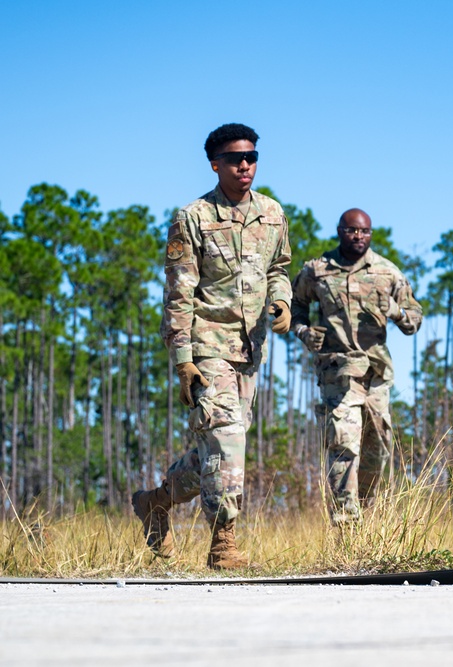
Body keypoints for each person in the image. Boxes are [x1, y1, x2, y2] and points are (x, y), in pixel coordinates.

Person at [131, 123, 292, 569]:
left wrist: (282, 301)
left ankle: (155, 502)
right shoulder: (194, 217)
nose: (246, 165)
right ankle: (224, 544)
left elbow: (279, 268)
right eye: (236, 158)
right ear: (215, 164)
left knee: (217, 450)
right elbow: (179, 294)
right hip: (207, 346)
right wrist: (183, 360)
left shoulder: (273, 214)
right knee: (226, 440)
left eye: (252, 157)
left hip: (249, 349)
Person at [290, 208, 422, 523]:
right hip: (337, 371)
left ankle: (367, 514)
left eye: (364, 232)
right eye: (352, 231)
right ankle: (347, 524)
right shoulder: (317, 271)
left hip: (376, 374)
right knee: (343, 442)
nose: (358, 237)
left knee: (378, 448)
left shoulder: (388, 272)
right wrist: (304, 332)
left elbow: (414, 320)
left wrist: (398, 312)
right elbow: (296, 306)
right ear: (340, 231)